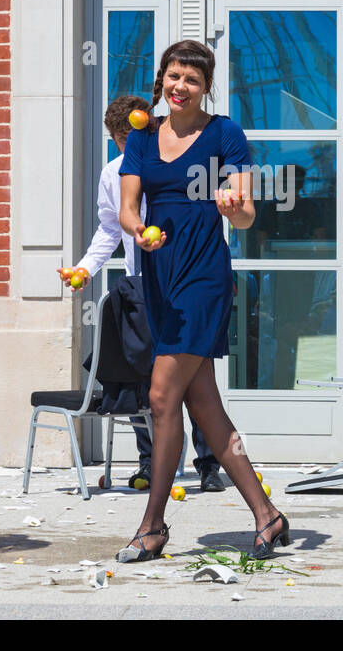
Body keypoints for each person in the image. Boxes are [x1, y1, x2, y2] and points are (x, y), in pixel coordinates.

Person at [115, 40, 288, 562]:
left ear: (206, 86)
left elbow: (246, 214)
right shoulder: (143, 136)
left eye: (191, 79)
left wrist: (233, 207)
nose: (180, 87)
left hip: (203, 277)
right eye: (173, 76)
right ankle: (267, 515)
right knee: (204, 406)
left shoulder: (224, 134)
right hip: (158, 274)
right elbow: (127, 208)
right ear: (161, 81)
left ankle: (152, 523)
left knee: (163, 396)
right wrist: (140, 232)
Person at [60, 95, 225, 492]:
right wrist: (84, 268)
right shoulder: (113, 173)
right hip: (142, 286)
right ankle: (151, 464)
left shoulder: (174, 160)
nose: (126, 143)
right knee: (145, 379)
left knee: (196, 377)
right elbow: (109, 229)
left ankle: (209, 464)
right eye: (119, 137)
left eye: (131, 134)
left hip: (186, 282)